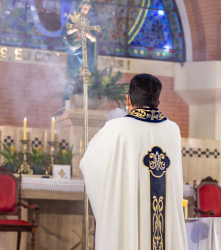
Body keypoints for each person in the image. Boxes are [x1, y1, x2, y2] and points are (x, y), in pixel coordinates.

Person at [80, 74, 188, 250]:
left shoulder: (117, 129)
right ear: (158, 102)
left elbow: (88, 164)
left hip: (129, 217)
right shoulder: (173, 130)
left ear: (128, 99)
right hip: (163, 223)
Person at [61, 0, 99, 76]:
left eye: (87, 9)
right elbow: (65, 32)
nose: (85, 10)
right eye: (84, 8)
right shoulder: (72, 20)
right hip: (74, 49)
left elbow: (94, 39)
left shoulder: (90, 23)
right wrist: (76, 28)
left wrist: (88, 35)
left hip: (85, 50)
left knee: (86, 70)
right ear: (80, 8)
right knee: (74, 71)